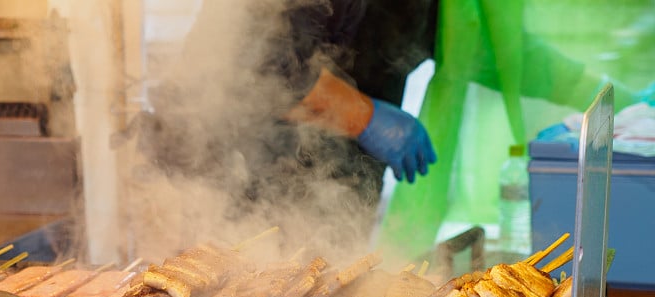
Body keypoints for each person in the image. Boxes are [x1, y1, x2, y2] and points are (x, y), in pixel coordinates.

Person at [131, 0, 653, 263]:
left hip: (328, 191)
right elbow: (261, 67)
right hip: (224, 180)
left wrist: (618, 96)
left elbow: (499, 53)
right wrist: (367, 117)